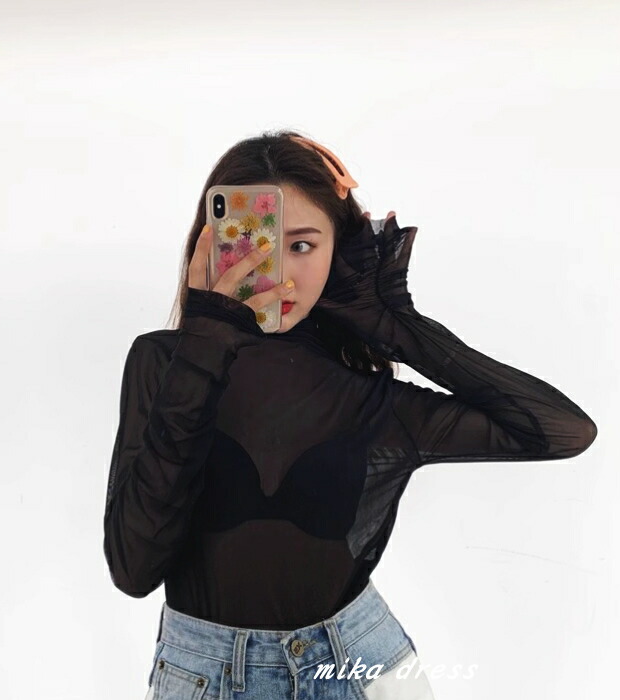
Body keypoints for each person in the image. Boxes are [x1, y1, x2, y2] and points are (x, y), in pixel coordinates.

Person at [102, 130, 598, 699]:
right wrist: (206, 343)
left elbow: (561, 431)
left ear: (337, 250)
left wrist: (396, 325)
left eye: (303, 245)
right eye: (255, 243)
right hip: (207, 675)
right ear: (211, 246)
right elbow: (133, 570)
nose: (279, 273)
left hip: (363, 665)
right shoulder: (163, 364)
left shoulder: (362, 392)